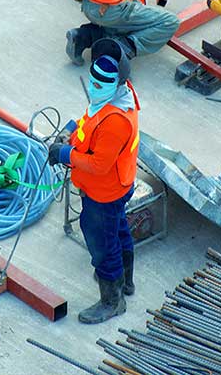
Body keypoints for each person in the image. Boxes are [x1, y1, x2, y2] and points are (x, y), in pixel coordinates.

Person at [49, 39, 140, 324]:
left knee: (103, 244)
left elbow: (100, 165)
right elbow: (91, 119)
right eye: (93, 81)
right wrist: (72, 130)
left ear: (117, 82)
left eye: (101, 84)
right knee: (118, 230)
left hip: (104, 191)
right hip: (117, 186)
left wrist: (66, 153)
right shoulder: (116, 97)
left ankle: (112, 301)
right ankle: (125, 282)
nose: (94, 88)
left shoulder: (116, 121)